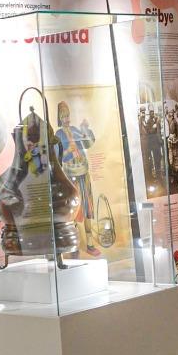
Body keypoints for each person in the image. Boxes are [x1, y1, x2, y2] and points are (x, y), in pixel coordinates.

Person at [53, 101, 101, 258]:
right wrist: (68, 150)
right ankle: (74, 246)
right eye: (63, 117)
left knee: (87, 208)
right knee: (73, 209)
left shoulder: (74, 130)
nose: (66, 119)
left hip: (83, 173)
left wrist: (85, 128)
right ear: (59, 118)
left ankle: (90, 244)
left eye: (67, 116)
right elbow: (57, 157)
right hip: (71, 176)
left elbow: (88, 143)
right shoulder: (58, 135)